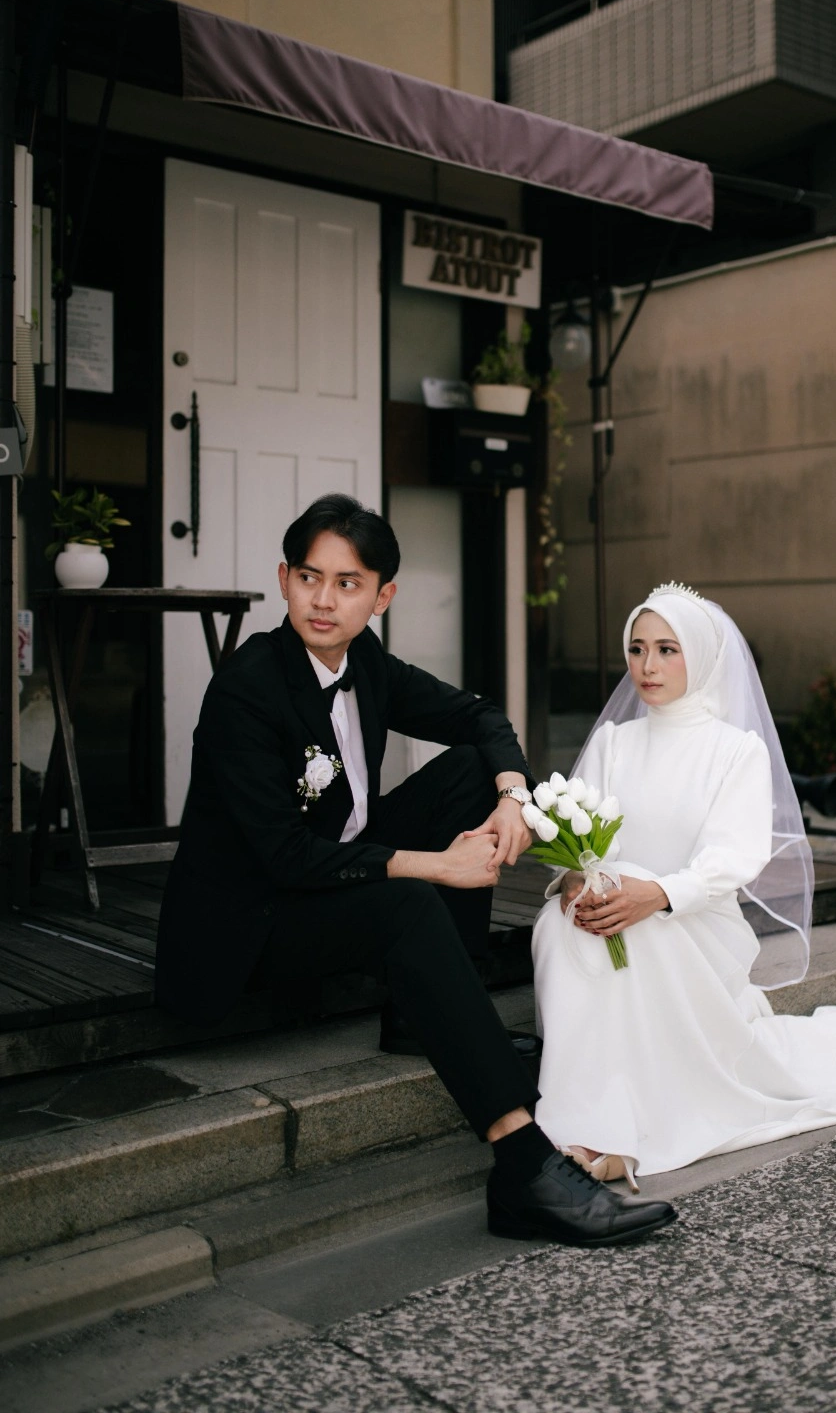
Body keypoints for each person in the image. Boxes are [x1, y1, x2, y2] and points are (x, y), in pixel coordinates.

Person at [155, 495, 676, 1247]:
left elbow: (479, 717)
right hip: (250, 919)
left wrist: (512, 797)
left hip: (332, 874)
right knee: (409, 903)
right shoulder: (247, 686)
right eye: (309, 577)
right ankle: (523, 1168)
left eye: (347, 583)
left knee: (468, 771)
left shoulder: (363, 661)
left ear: (381, 596)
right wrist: (436, 866)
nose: (324, 600)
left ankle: (426, 1010)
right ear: (284, 579)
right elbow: (285, 857)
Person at [532, 582, 836, 1184]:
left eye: (668, 650)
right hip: (616, 911)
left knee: (632, 925)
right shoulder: (613, 742)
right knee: (555, 925)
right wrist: (574, 878)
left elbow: (735, 855)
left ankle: (633, 1130)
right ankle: (578, 1115)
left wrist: (658, 895)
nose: (648, 666)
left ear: (701, 655)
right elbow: (580, 835)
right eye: (637, 648)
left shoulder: (736, 750)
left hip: (695, 924)